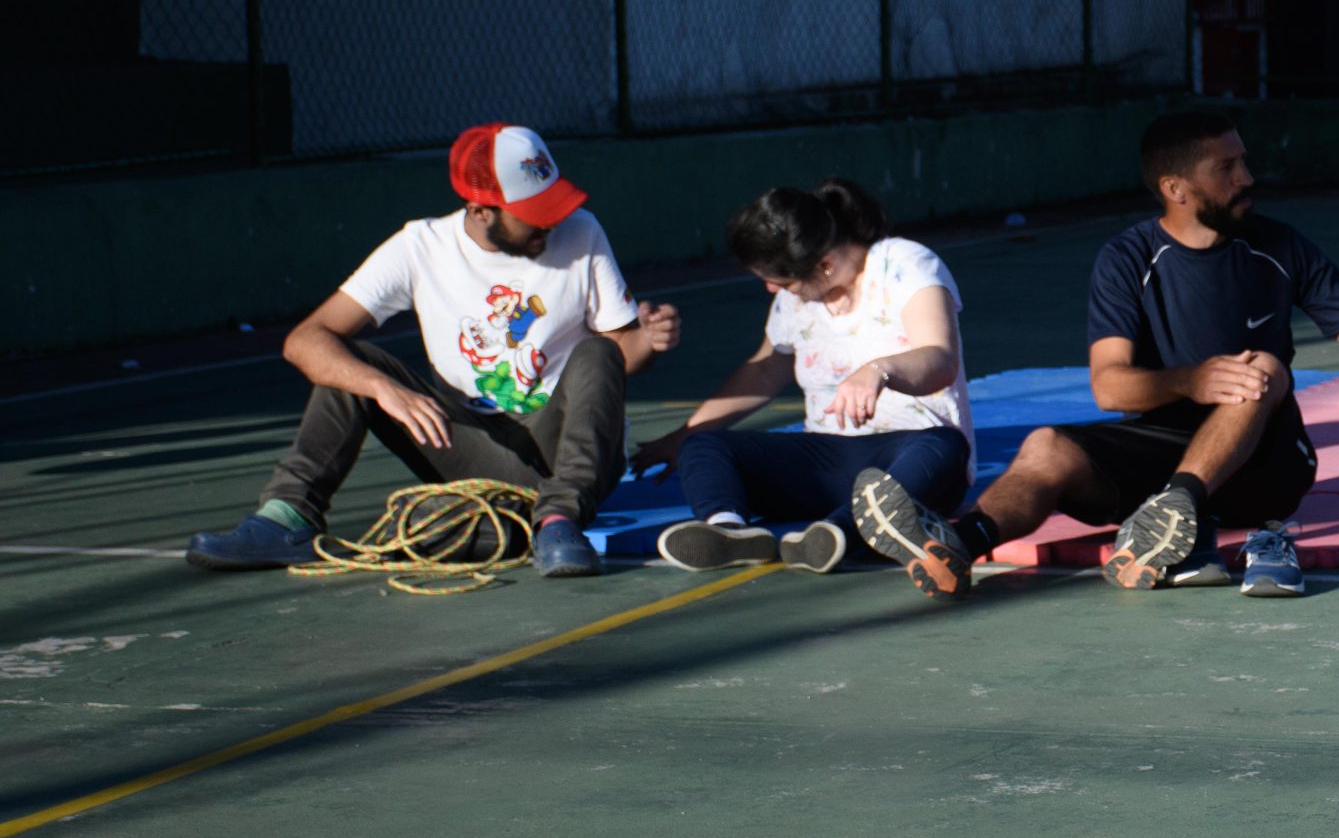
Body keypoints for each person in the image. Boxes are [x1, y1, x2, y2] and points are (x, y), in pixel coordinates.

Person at [847, 109, 1339, 601]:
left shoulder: (1279, 245)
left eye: (1243, 160)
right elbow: (1110, 387)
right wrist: (1191, 380)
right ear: (1177, 187)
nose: (1248, 176)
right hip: (1161, 450)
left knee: (1263, 369)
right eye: (1228, 167)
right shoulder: (1128, 258)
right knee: (1047, 444)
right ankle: (958, 543)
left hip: (1264, 462)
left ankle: (1177, 509)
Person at [186, 124, 680, 579]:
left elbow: (617, 355)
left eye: (553, 205)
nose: (550, 223)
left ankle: (558, 518)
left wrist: (646, 341)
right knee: (351, 363)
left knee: (596, 352)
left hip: (568, 451)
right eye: (533, 215)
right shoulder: (420, 247)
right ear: (481, 209)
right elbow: (305, 341)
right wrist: (382, 389)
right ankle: (287, 517)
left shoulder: (583, 232)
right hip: (472, 444)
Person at [631, 181, 972, 574]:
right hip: (826, 462)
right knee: (703, 446)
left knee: (946, 447)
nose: (772, 288)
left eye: (781, 280)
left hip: (908, 457)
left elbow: (940, 357)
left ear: (824, 265)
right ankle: (730, 531)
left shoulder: (905, 264)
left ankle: (843, 530)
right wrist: (683, 435)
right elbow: (760, 375)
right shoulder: (794, 301)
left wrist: (879, 370)